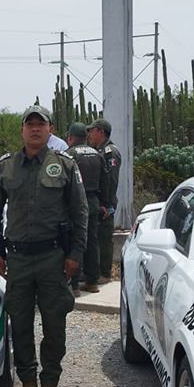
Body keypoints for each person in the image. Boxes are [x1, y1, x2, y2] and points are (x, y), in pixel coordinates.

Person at [0, 105, 88, 387]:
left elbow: (80, 213)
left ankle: (50, 385)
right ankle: (28, 386)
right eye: (29, 124)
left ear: (50, 129)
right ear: (22, 130)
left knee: (55, 324)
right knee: (20, 325)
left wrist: (75, 254)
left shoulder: (64, 165)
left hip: (53, 257)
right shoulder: (5, 167)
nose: (35, 129)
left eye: (40, 124)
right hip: (17, 259)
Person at [64, 123, 107, 296]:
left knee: (76, 241)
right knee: (92, 241)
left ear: (70, 137)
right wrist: (105, 202)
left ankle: (74, 285)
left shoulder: (69, 155)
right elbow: (105, 181)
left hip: (75, 203)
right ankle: (92, 281)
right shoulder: (97, 154)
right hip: (94, 200)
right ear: (86, 136)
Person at [87, 118, 122, 283]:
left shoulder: (110, 152)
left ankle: (104, 273)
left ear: (100, 131)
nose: (89, 134)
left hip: (105, 203)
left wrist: (107, 204)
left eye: (92, 130)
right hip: (99, 202)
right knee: (96, 237)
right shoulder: (97, 151)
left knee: (104, 238)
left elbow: (111, 179)